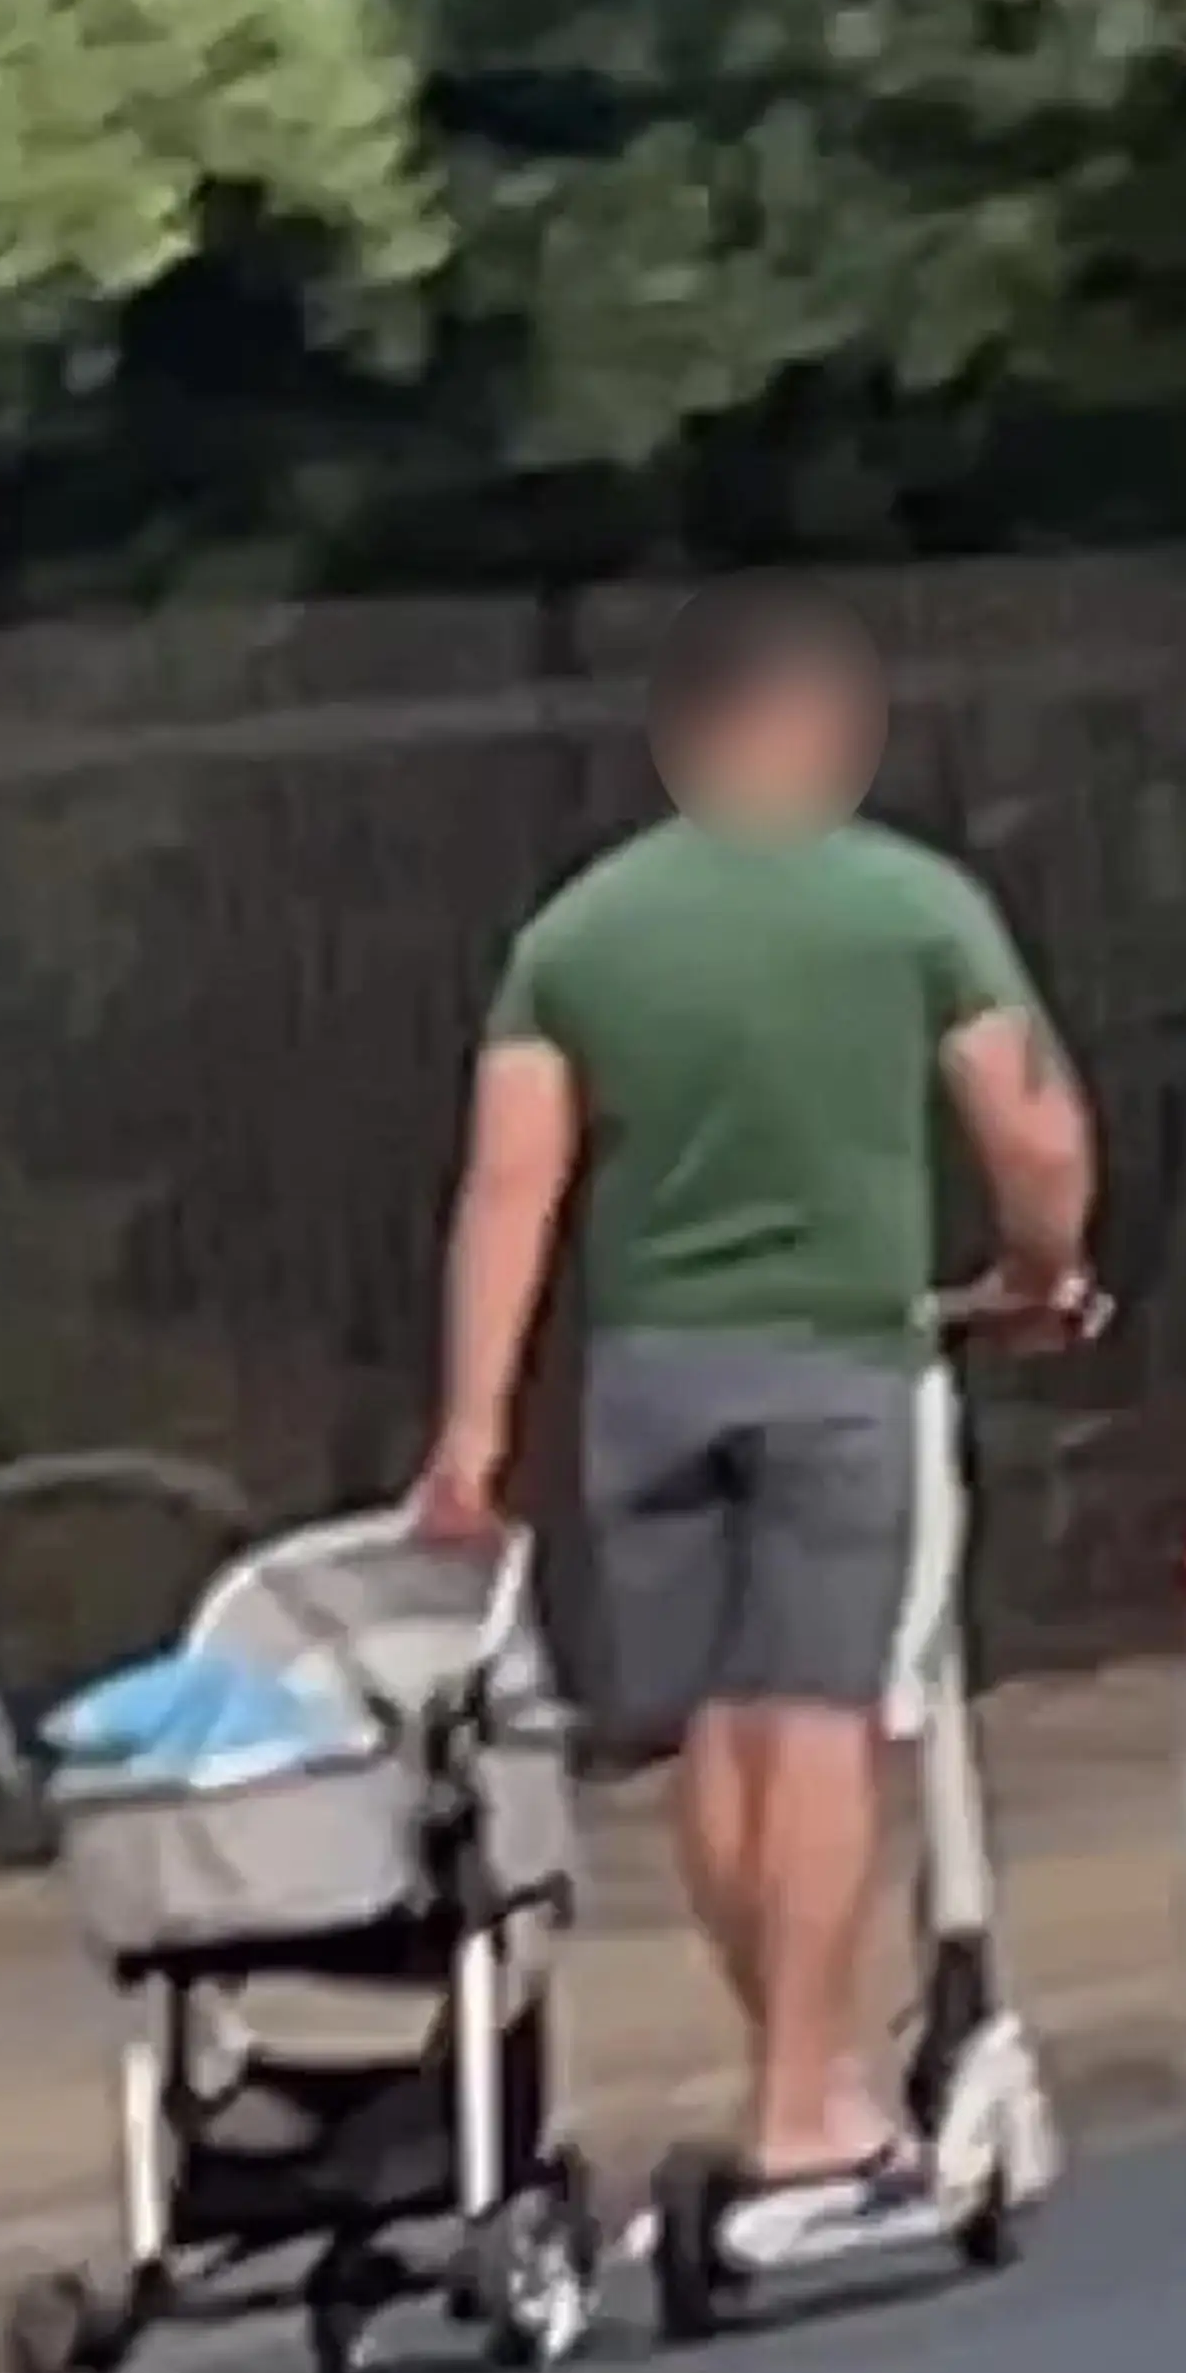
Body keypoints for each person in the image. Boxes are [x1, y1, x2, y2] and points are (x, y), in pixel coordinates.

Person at [413, 577, 1104, 2194]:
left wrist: (473, 1430)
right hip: (840, 1360)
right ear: (824, 734)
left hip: (648, 1375)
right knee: (820, 1723)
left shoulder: (575, 937)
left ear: (681, 744)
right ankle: (805, 2103)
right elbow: (1034, 1129)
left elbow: (510, 1187)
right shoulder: (912, 906)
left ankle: (796, 2063)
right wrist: (1040, 1272)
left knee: (709, 1734)